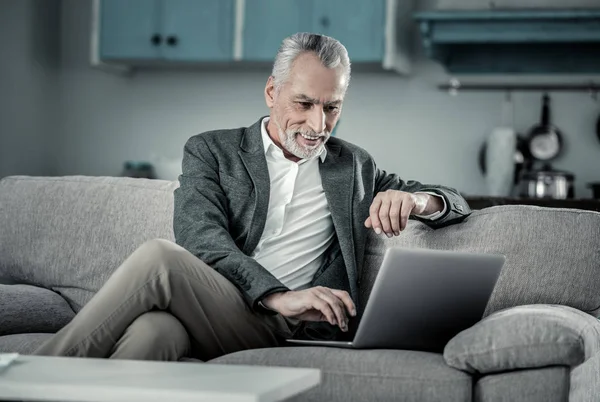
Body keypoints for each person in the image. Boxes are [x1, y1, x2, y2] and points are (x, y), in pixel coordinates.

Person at [35, 33, 471, 362]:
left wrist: (417, 201)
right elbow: (199, 235)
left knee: (156, 262)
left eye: (332, 106)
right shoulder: (211, 150)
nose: (318, 124)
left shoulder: (353, 166)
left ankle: (31, 376)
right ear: (271, 92)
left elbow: (457, 203)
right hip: (232, 308)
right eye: (304, 104)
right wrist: (277, 294)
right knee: (154, 332)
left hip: (298, 330)